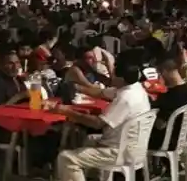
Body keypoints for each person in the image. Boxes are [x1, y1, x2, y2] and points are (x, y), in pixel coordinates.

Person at [55, 53, 152, 181]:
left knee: (66, 158)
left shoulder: (125, 98)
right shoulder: (135, 89)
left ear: (121, 78)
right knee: (89, 140)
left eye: (114, 75)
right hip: (135, 147)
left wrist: (67, 112)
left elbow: (97, 123)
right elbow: (101, 93)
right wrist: (77, 87)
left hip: (119, 152)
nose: (111, 77)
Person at [149, 54, 187, 149]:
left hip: (167, 139)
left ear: (164, 72)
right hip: (182, 135)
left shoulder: (170, 97)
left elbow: (160, 124)